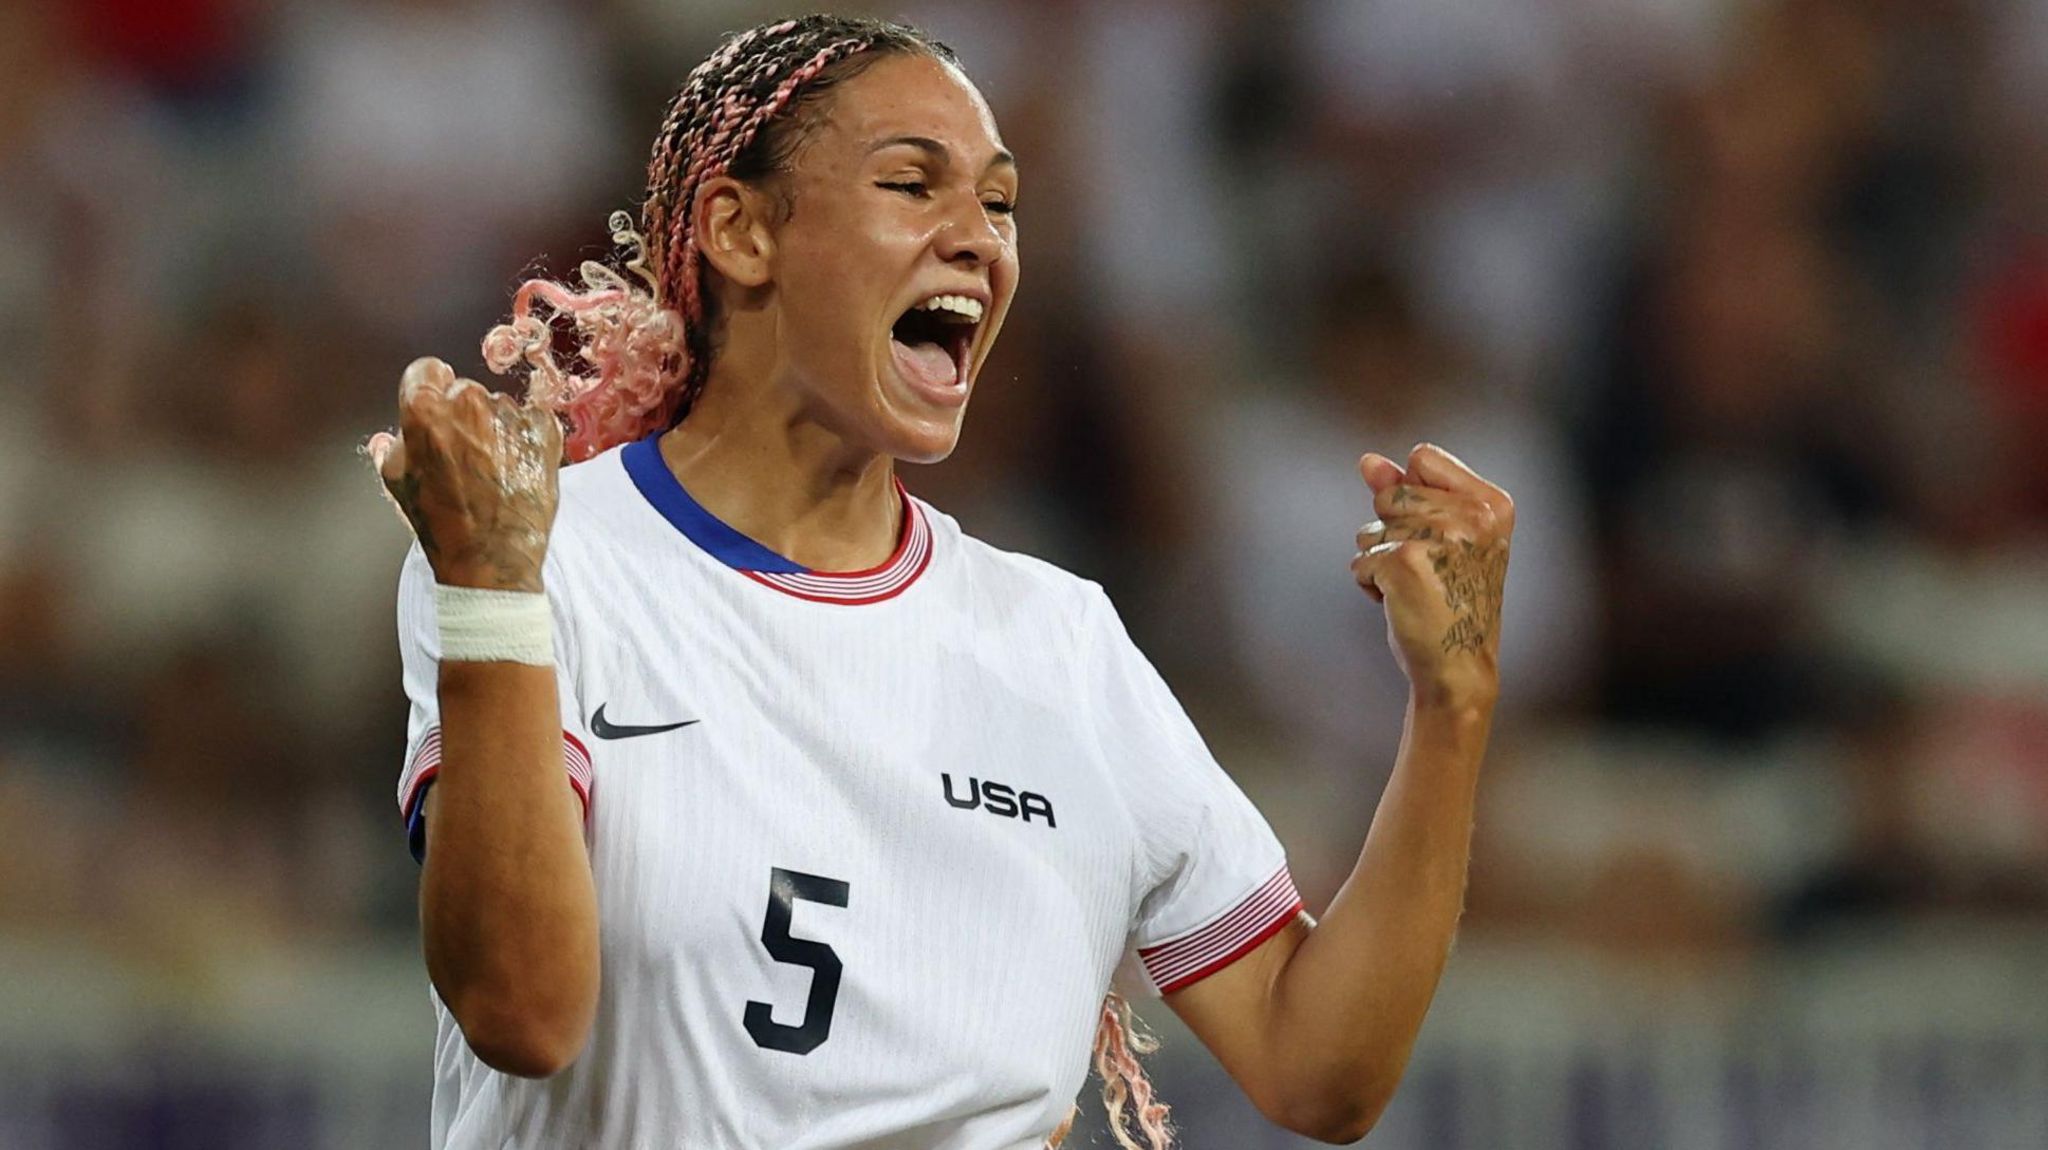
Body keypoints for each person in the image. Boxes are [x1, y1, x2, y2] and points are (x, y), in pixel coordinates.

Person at [370, 15, 1515, 1150]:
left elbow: (1317, 1068)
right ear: (739, 230)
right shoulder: (539, 561)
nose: (978, 238)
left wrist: (1451, 704)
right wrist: (491, 598)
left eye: (1000, 202)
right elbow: (519, 1012)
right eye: (912, 185)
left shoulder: (1058, 640)